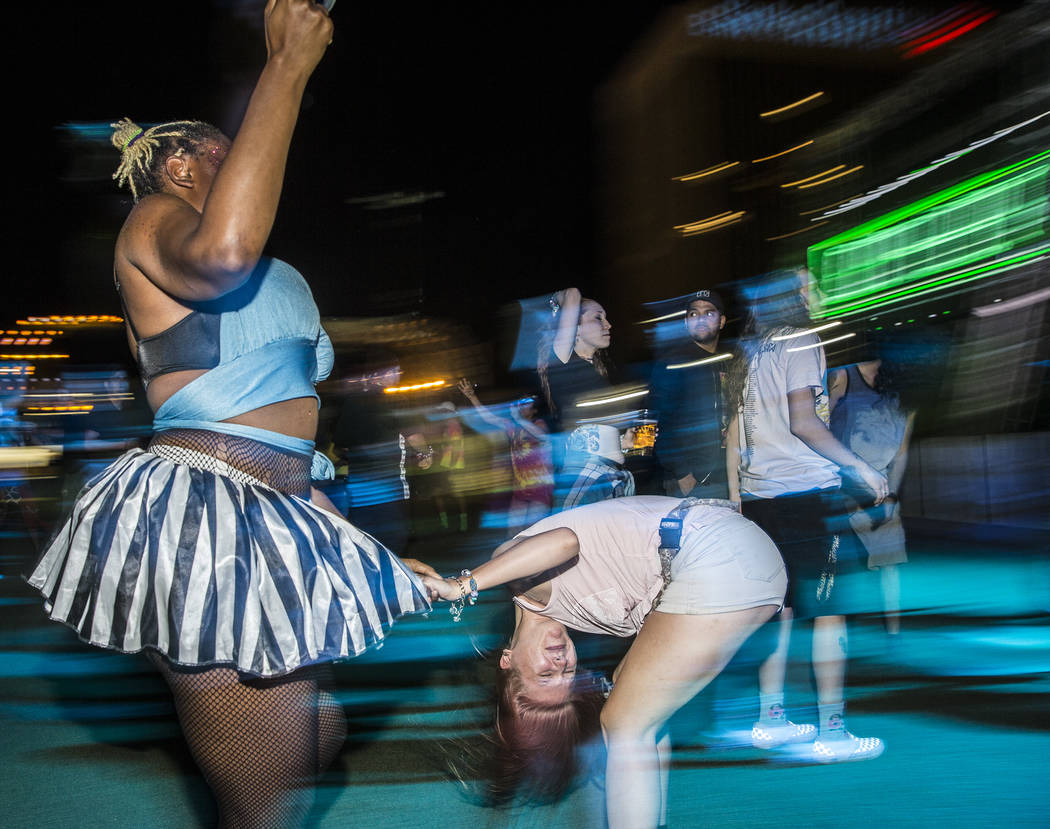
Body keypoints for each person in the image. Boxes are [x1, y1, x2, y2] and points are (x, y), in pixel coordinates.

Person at [26, 4, 432, 826]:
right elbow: (224, 253)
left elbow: (285, 428)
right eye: (225, 146)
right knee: (265, 794)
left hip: (277, 509)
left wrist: (346, 536)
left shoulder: (278, 271)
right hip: (204, 520)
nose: (246, 154)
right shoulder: (154, 223)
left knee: (318, 731)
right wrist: (285, 66)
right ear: (178, 162)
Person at [420, 495, 787, 829]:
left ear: (507, 660)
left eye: (545, 674)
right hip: (737, 563)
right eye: (566, 674)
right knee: (635, 709)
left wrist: (462, 585)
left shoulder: (522, 581)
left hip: (717, 553)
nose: (562, 662)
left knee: (625, 724)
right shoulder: (577, 616)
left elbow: (565, 541)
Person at [724, 268, 887, 762]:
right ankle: (832, 732)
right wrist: (860, 468)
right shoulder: (800, 341)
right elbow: (802, 421)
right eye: (810, 285)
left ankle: (770, 719)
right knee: (829, 612)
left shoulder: (751, 352)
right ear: (793, 297)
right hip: (806, 494)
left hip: (760, 498)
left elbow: (733, 434)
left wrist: (737, 500)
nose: (817, 291)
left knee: (781, 609)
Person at [829, 351, 916, 641]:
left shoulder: (903, 391)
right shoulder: (844, 375)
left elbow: (902, 452)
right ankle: (840, 632)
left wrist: (891, 494)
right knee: (844, 566)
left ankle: (894, 635)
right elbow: (821, 422)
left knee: (890, 564)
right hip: (843, 488)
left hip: (882, 488)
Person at [538, 287, 634, 508]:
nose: (608, 325)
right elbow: (572, 294)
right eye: (598, 318)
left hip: (610, 475)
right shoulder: (563, 361)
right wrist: (555, 305)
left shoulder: (601, 374)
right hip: (583, 477)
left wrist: (624, 443)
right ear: (576, 328)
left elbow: (593, 432)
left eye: (606, 319)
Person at [649, 288, 731, 500]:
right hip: (690, 480)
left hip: (724, 473)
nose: (700, 319)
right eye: (693, 314)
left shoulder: (728, 361)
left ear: (722, 321)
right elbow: (658, 422)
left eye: (709, 313)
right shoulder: (673, 363)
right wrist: (683, 475)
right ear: (686, 322)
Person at [457, 379, 554, 535]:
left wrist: (518, 419)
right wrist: (472, 397)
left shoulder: (539, 424)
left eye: (526, 403)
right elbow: (489, 418)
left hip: (541, 489)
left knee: (536, 532)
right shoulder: (513, 426)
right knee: (514, 532)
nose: (521, 405)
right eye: (520, 402)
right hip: (520, 489)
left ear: (534, 410)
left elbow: (541, 435)